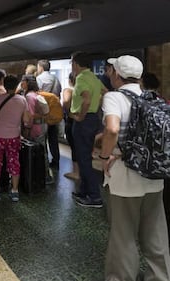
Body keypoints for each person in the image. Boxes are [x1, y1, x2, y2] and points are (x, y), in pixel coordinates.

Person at [89, 55, 170, 281]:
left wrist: (105, 156)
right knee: (155, 234)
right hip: (154, 177)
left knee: (123, 235)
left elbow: (113, 129)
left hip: (125, 180)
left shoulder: (115, 97)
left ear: (116, 74)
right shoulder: (154, 98)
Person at [70, 52, 108, 208]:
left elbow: (85, 99)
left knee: (84, 159)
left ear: (76, 64)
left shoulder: (81, 78)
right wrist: (96, 106)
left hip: (83, 121)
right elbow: (105, 92)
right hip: (93, 120)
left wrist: (81, 116)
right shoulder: (94, 77)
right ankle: (83, 191)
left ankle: (94, 196)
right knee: (84, 156)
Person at [0, 75, 30, 202]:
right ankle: (15, 192)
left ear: (4, 85)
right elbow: (26, 120)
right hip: (14, 137)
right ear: (16, 86)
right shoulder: (22, 100)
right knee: (14, 162)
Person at [21, 74, 52, 184]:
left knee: (37, 151)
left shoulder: (29, 96)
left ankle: (40, 176)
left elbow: (30, 115)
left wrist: (26, 128)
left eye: (23, 81)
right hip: (42, 126)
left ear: (28, 83)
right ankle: (46, 175)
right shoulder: (35, 94)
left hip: (35, 127)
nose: (21, 83)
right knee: (42, 150)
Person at [36, 59, 62, 170]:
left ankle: (43, 161)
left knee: (42, 138)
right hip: (54, 113)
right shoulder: (56, 79)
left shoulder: (39, 79)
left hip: (42, 112)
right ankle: (56, 161)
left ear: (41, 68)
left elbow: (36, 95)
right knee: (53, 138)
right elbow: (58, 95)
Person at [62, 72, 79, 180]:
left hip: (72, 121)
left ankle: (76, 172)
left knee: (74, 147)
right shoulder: (86, 92)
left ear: (70, 81)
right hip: (84, 120)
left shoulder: (69, 90)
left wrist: (68, 112)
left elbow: (66, 102)